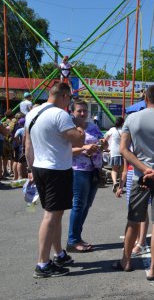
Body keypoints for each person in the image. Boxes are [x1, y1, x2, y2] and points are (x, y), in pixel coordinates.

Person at [115, 85, 154, 280]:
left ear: (145, 98)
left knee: (133, 219)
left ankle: (126, 261)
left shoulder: (132, 118)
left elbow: (124, 149)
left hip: (139, 176)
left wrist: (144, 170)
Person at [24, 82, 85, 278]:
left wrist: (30, 169)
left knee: (56, 214)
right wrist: (80, 128)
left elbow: (27, 144)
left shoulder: (33, 112)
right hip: (56, 170)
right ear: (64, 96)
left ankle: (58, 253)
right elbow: (78, 140)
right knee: (51, 216)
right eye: (69, 99)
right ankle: (42, 263)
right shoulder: (60, 114)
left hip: (40, 167)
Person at [66, 100, 107, 252]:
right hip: (79, 170)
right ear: (72, 112)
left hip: (94, 170)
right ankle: (73, 240)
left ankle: (77, 236)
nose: (83, 113)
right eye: (79, 111)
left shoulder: (93, 126)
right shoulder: (69, 128)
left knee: (87, 204)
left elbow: (102, 142)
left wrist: (103, 144)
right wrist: (84, 148)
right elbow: (65, 150)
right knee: (78, 204)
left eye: (85, 110)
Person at [104, 117, 125, 192]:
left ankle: (115, 182)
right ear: (123, 123)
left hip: (114, 152)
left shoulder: (112, 130)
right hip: (123, 152)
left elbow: (105, 139)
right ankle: (120, 187)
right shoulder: (124, 130)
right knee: (122, 171)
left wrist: (105, 148)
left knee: (114, 169)